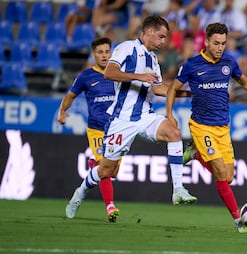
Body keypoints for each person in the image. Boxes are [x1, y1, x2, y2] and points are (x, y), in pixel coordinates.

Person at [65, 16, 197, 220]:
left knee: (173, 132)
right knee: (106, 170)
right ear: (149, 32)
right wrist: (138, 76)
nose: (164, 41)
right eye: (161, 36)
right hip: (121, 120)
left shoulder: (152, 59)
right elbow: (109, 72)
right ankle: (80, 192)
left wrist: (186, 93)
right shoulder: (126, 48)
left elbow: (157, 88)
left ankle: (178, 189)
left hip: (145, 116)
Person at [166, 23, 247, 233]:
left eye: (223, 43)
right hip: (201, 126)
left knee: (228, 177)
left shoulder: (229, 62)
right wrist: (169, 114)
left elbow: (246, 83)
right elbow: (173, 89)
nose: (220, 47)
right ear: (207, 42)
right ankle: (238, 220)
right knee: (220, 173)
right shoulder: (192, 65)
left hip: (223, 128)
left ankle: (194, 154)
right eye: (216, 43)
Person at [57, 37, 120, 222]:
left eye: (107, 52)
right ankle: (110, 207)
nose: (104, 56)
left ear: (111, 53)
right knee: (105, 168)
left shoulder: (119, 73)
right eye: (100, 52)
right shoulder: (86, 76)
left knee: (112, 171)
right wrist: (62, 112)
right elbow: (70, 95)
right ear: (94, 55)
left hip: (118, 130)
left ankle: (88, 175)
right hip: (97, 130)